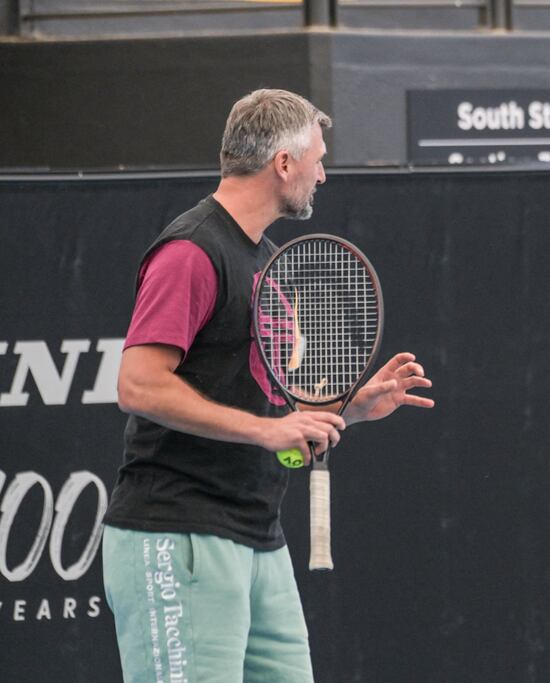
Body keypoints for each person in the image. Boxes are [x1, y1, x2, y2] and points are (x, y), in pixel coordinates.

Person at [102, 89, 435, 682]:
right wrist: (268, 430)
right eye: (318, 159)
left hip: (259, 539)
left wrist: (351, 407)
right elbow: (139, 386)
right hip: (179, 534)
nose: (323, 173)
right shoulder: (190, 251)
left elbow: (265, 400)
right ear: (284, 164)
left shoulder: (269, 261)